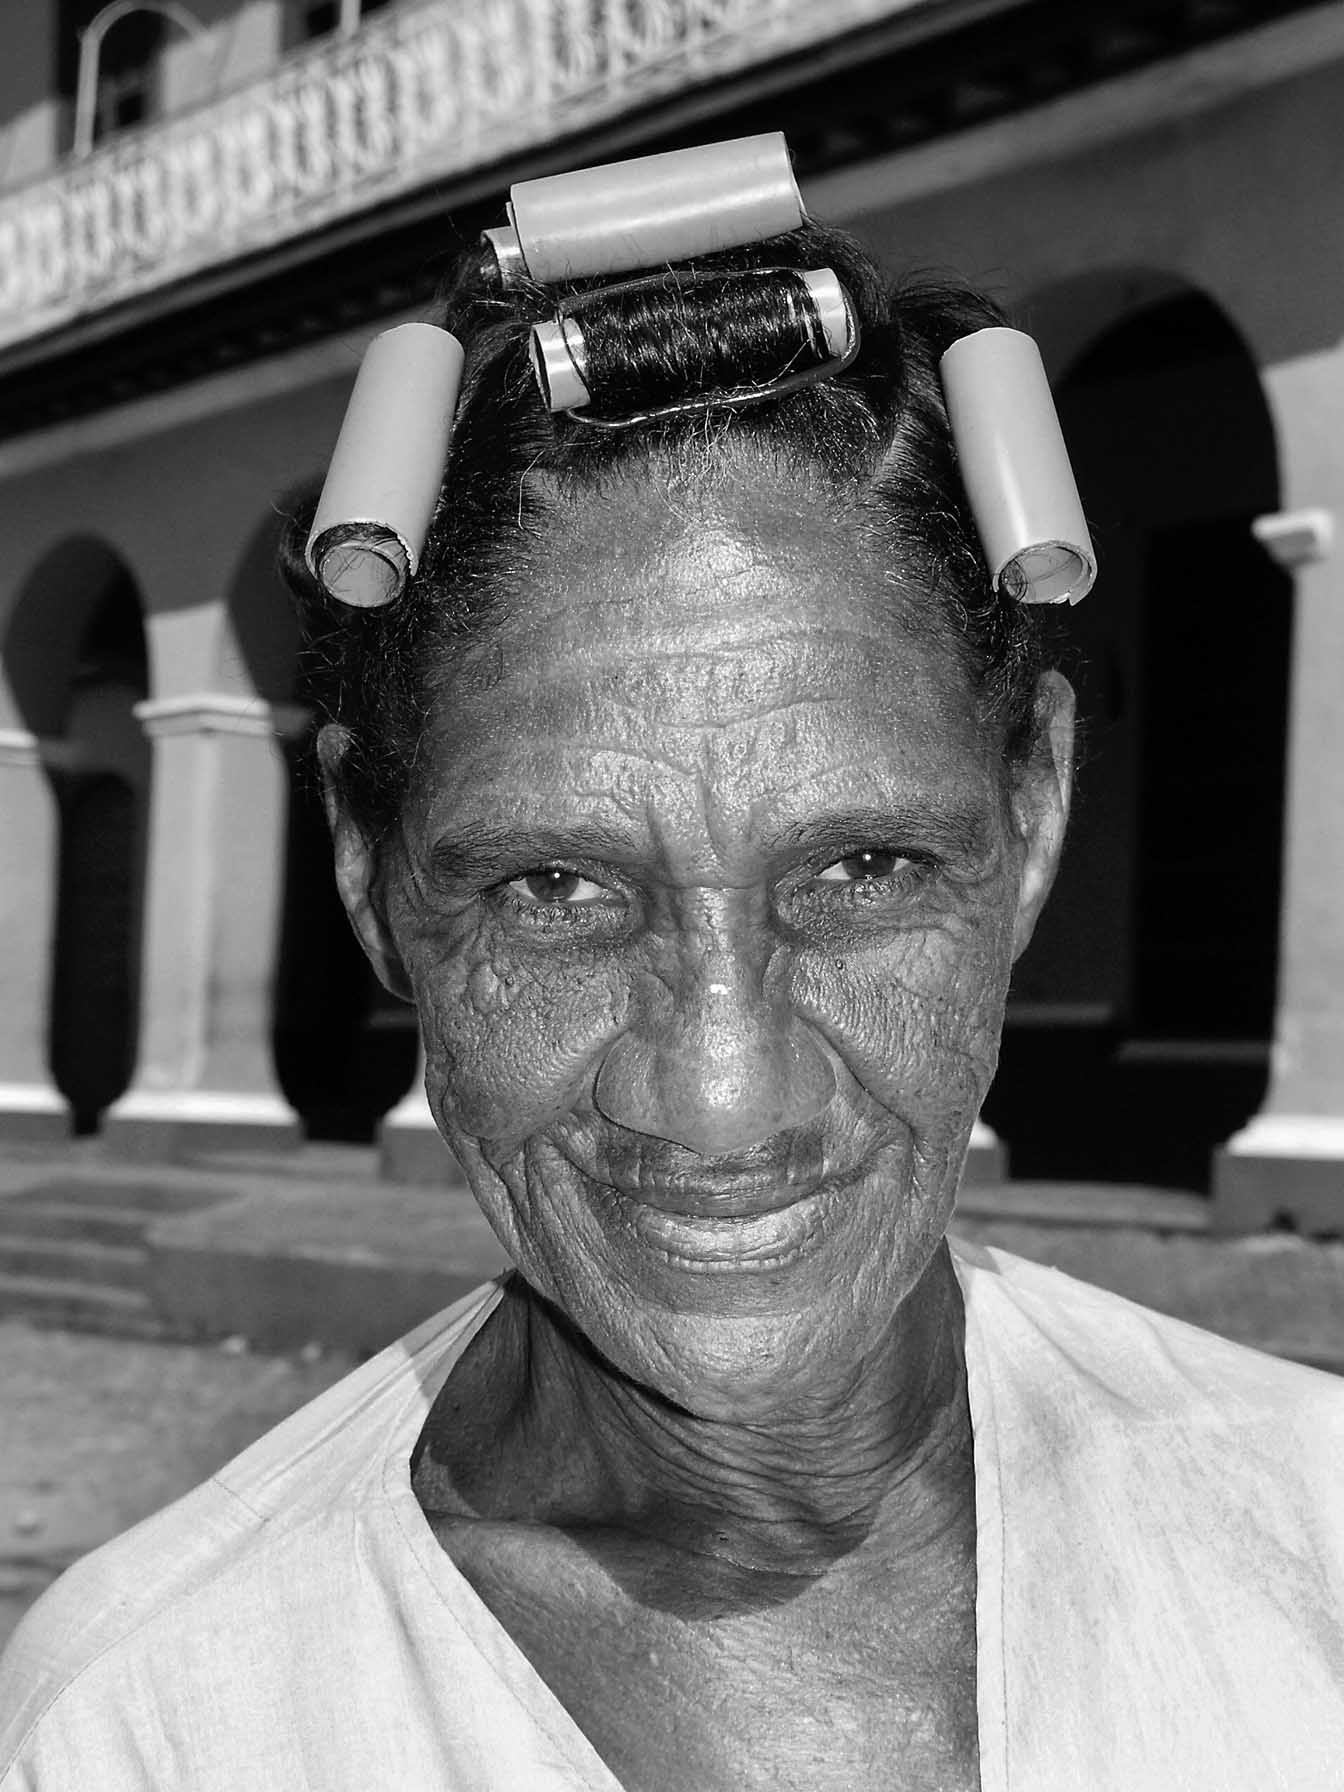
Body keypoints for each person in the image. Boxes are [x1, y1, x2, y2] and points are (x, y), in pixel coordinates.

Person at [1, 134, 1341, 1792]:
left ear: (1034, 815)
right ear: (370, 872)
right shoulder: (159, 1725)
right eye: (556, 889)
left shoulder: (1313, 1532)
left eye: (862, 869)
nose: (721, 1097)